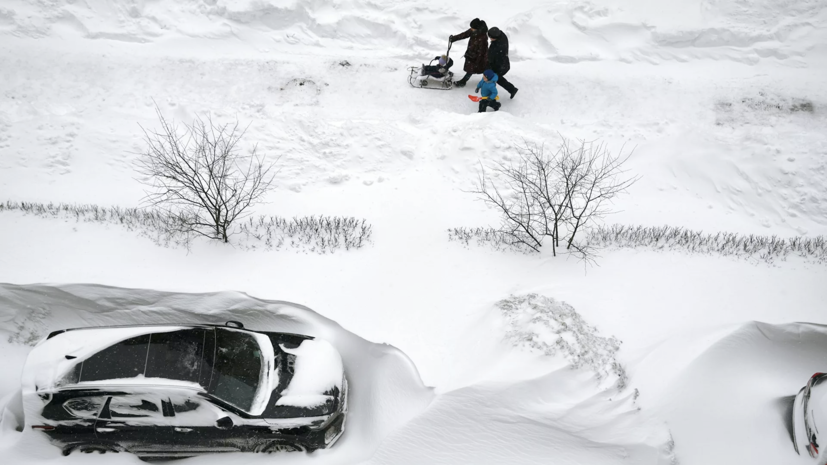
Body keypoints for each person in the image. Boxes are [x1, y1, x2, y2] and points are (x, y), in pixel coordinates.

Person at [448, 18, 489, 87]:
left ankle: (463, 82)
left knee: (473, 69)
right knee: (474, 68)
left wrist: (478, 61)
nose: (471, 29)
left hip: (478, 56)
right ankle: (487, 78)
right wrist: (454, 38)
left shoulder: (483, 37)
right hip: (472, 53)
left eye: (472, 28)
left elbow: (482, 51)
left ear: (477, 28)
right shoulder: (474, 30)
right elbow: (464, 34)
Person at [486, 27, 518, 99]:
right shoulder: (501, 35)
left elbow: (493, 57)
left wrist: (490, 66)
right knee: (496, 78)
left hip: (500, 66)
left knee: (495, 78)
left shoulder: (499, 47)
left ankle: (491, 95)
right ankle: (512, 89)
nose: (490, 39)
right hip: (502, 64)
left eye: (491, 37)